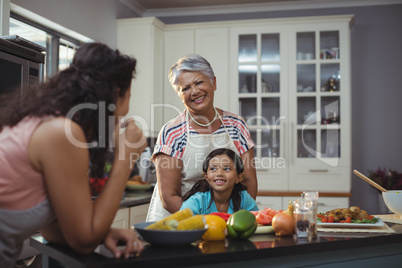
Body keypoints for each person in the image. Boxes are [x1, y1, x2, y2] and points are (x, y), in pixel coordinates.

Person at [0, 43, 147, 267]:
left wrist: (103, 232)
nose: (125, 112)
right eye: (128, 97)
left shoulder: (48, 121)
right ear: (116, 94)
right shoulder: (61, 133)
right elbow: (83, 241)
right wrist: (126, 158)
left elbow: (52, 229)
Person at [146, 54, 258, 221]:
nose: (195, 91)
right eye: (185, 88)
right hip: (179, 223)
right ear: (179, 94)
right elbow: (169, 197)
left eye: (199, 83)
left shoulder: (236, 125)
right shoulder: (172, 132)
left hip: (225, 223)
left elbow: (248, 182)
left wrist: (232, 222)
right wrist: (206, 224)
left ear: (214, 82)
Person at [180, 148, 259, 214]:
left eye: (227, 169)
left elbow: (256, 223)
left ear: (238, 177)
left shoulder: (244, 199)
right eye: (213, 169)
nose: (219, 173)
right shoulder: (196, 202)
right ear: (206, 176)